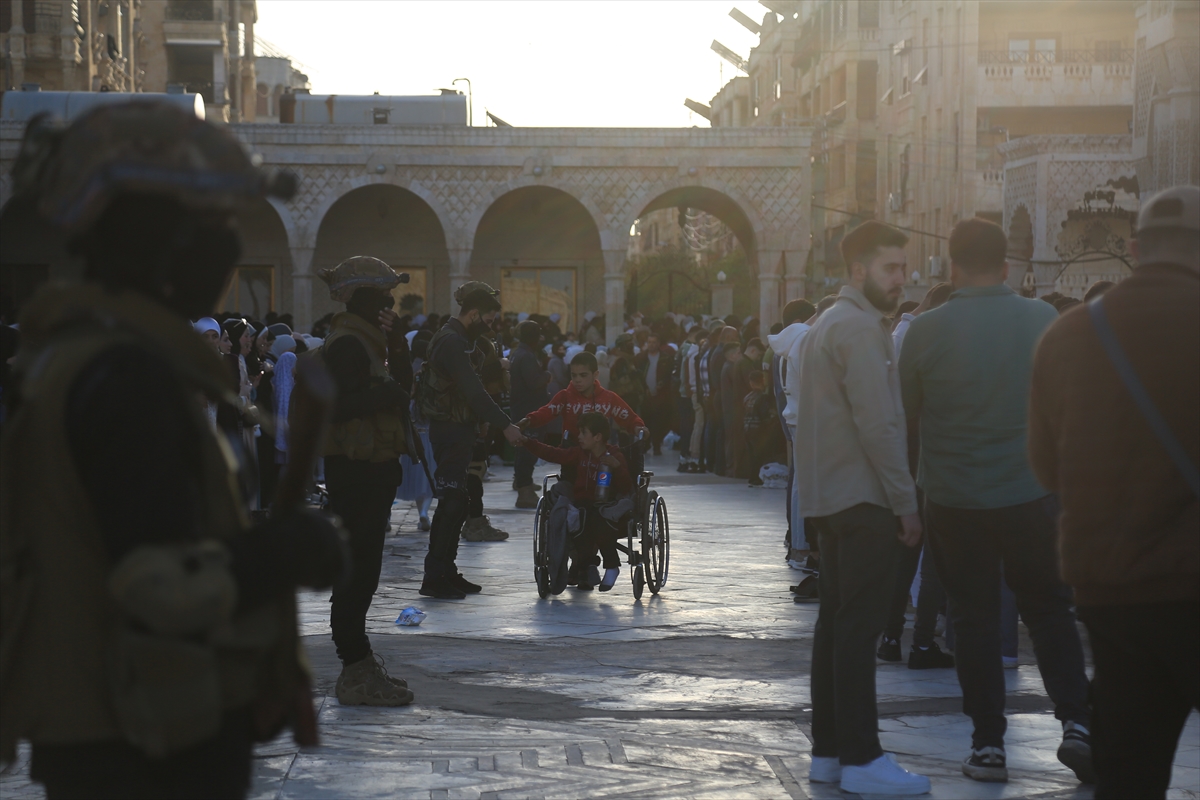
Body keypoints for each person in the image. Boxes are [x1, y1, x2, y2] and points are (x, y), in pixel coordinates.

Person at [0, 100, 345, 799]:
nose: (226, 246)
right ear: (155, 233)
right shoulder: (126, 377)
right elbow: (156, 582)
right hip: (142, 744)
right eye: (214, 224)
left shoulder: (67, 354)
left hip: (108, 724)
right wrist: (286, 552)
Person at [899, 217, 1092, 785]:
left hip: (954, 498)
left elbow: (905, 418)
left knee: (975, 620)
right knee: (1050, 610)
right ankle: (1078, 723)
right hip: (1032, 494)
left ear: (951, 267)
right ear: (1008, 266)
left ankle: (988, 746)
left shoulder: (925, 331)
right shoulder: (1041, 318)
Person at [1029, 185, 1199, 800]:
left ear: (1134, 248)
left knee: (1128, 772)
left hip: (1112, 590)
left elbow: (1047, 468)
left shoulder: (1069, 336)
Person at [793, 220, 930, 795]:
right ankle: (862, 757)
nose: (901, 278)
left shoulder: (829, 323)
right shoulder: (860, 329)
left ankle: (829, 752)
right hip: (863, 498)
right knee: (858, 630)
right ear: (858, 270)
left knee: (837, 627)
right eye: (890, 268)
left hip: (830, 499)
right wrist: (906, 504)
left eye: (903, 267)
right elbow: (881, 425)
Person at [316, 256, 416, 707]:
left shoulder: (371, 342)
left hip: (371, 470)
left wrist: (398, 342)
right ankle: (354, 668)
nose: (390, 304)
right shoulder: (348, 345)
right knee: (356, 571)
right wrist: (386, 394)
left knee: (366, 569)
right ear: (363, 301)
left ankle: (359, 664)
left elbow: (405, 386)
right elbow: (336, 404)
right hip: (355, 472)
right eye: (383, 298)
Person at [417, 281, 523, 600]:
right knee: (451, 501)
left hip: (459, 428)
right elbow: (474, 391)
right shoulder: (451, 341)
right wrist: (505, 425)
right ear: (474, 314)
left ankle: (447, 571)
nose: (490, 328)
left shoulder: (460, 339)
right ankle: (434, 576)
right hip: (449, 430)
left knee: (459, 500)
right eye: (488, 321)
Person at [518, 412, 634, 591]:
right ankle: (588, 565)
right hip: (582, 503)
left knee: (596, 519)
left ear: (597, 437)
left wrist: (617, 467)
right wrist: (528, 442)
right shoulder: (578, 454)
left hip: (607, 505)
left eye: (583, 432)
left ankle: (611, 567)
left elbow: (627, 487)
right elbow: (553, 453)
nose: (578, 437)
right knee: (579, 520)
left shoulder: (614, 455)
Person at [768, 299, 816, 565]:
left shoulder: (784, 346)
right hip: (802, 420)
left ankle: (796, 539)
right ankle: (800, 544)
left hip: (792, 418)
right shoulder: (800, 344)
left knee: (796, 480)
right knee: (800, 482)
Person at [510, 320, 551, 508]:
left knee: (524, 449)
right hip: (528, 408)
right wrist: (547, 374)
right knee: (527, 449)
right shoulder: (525, 356)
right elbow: (533, 382)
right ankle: (524, 489)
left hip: (522, 407)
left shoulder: (520, 353)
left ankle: (522, 482)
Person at [635, 332, 675, 455]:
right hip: (645, 396)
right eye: (649, 342)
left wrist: (662, 384)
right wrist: (643, 389)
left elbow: (669, 375)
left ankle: (657, 445)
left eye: (654, 342)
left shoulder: (665, 358)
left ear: (658, 344)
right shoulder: (640, 358)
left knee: (659, 421)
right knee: (645, 421)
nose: (651, 345)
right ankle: (645, 445)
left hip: (660, 395)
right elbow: (637, 376)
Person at [607, 334, 646, 416]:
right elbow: (622, 380)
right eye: (629, 344)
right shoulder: (621, 361)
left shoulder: (629, 359)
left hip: (632, 398)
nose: (631, 346)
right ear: (623, 346)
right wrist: (634, 374)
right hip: (625, 398)